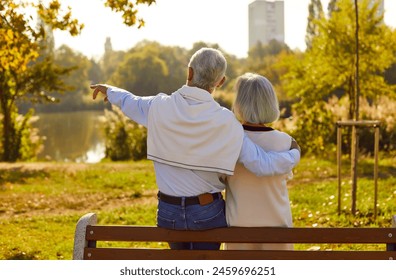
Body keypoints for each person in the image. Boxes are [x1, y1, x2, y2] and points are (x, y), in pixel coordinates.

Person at [91, 48, 300, 250]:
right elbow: (261, 164)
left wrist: (110, 91)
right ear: (220, 81)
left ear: (189, 72)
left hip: (168, 213)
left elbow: (130, 102)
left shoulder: (158, 106)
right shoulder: (226, 121)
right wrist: (293, 154)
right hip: (207, 213)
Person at [224, 73, 295, 250]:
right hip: (278, 228)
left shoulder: (228, 141)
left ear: (239, 104)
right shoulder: (286, 142)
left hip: (238, 229)